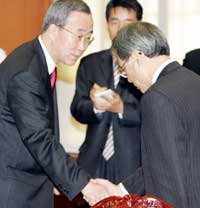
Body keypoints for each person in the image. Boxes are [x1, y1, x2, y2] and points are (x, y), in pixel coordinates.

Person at [0, 1, 108, 208]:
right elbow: (39, 137)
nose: (82, 46)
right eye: (78, 36)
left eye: (88, 38)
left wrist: (57, 177)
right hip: (14, 190)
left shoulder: (40, 61)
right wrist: (84, 185)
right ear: (53, 30)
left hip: (30, 184)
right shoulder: (26, 72)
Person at [92, 22, 200, 208]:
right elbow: (168, 159)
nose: (129, 80)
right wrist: (122, 190)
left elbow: (167, 183)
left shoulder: (156, 97)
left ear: (137, 56)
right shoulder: (193, 81)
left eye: (123, 69)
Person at [71, 0, 143, 185]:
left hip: (133, 164)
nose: (120, 29)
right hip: (93, 161)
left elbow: (155, 114)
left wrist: (121, 108)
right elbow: (77, 108)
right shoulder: (90, 63)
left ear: (139, 26)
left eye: (128, 23)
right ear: (107, 25)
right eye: (114, 22)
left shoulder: (147, 64)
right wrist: (95, 106)